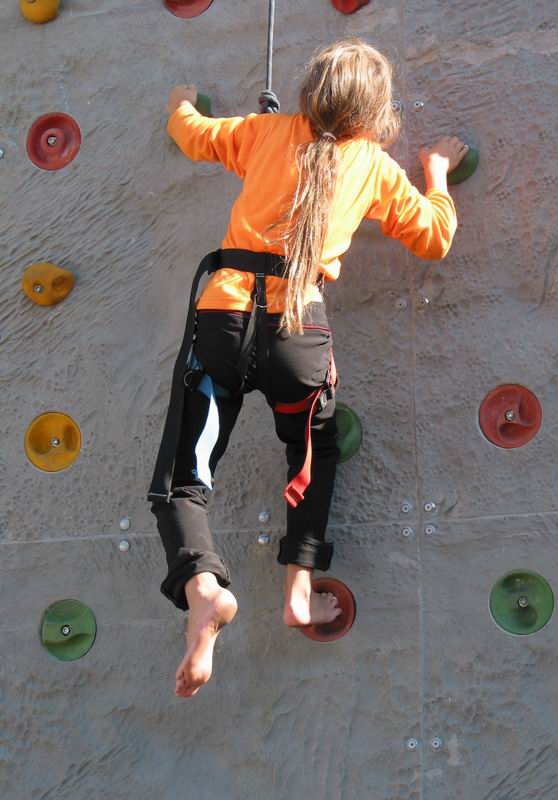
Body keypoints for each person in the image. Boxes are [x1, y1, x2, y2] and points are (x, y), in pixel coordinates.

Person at [151, 37, 466, 698]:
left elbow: (192, 135)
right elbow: (434, 237)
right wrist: (436, 172)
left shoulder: (265, 132)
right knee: (311, 453)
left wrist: (182, 102)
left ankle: (203, 587)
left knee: (184, 477)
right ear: (375, 111)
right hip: (300, 333)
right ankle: (298, 590)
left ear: (309, 92)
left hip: (223, 321)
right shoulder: (373, 165)